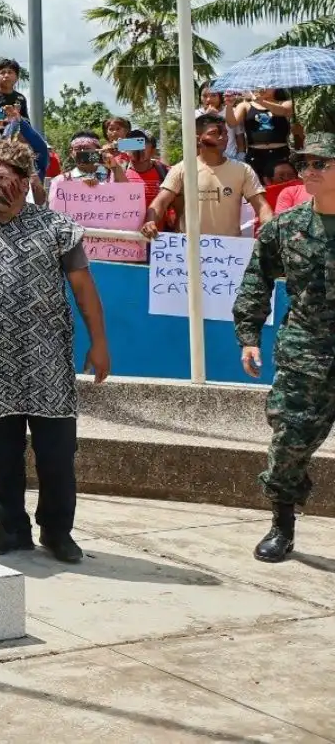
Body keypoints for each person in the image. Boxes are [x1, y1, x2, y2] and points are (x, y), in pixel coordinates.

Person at [0, 138, 111, 565]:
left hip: (48, 364)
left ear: (24, 183)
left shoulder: (58, 228)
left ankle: (57, 532)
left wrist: (99, 343)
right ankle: (11, 528)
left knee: (57, 456)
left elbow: (84, 289)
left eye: (1, 179)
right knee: (2, 455)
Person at [234, 131, 335, 563]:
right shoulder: (286, 226)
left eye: (320, 163)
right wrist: (249, 337)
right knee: (289, 443)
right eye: (304, 163)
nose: (308, 171)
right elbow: (256, 281)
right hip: (304, 354)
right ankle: (282, 526)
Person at [142, 111, 270, 241]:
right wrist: (151, 221)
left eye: (225, 133)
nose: (222, 137)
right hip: (190, 248)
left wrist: (269, 227)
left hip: (229, 249)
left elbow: (262, 206)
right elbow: (161, 202)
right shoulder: (182, 169)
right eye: (214, 133)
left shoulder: (243, 170)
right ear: (197, 139)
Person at [236, 89, 295, 180]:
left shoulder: (285, 103)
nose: (263, 89)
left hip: (280, 153)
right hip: (255, 154)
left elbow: (283, 111)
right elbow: (233, 123)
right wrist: (229, 106)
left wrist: (262, 102)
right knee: (257, 184)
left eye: (267, 86)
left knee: (283, 183)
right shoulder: (246, 105)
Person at [122, 128, 168, 208]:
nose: (137, 148)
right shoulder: (119, 172)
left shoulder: (166, 172)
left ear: (153, 150)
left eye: (142, 143)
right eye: (132, 143)